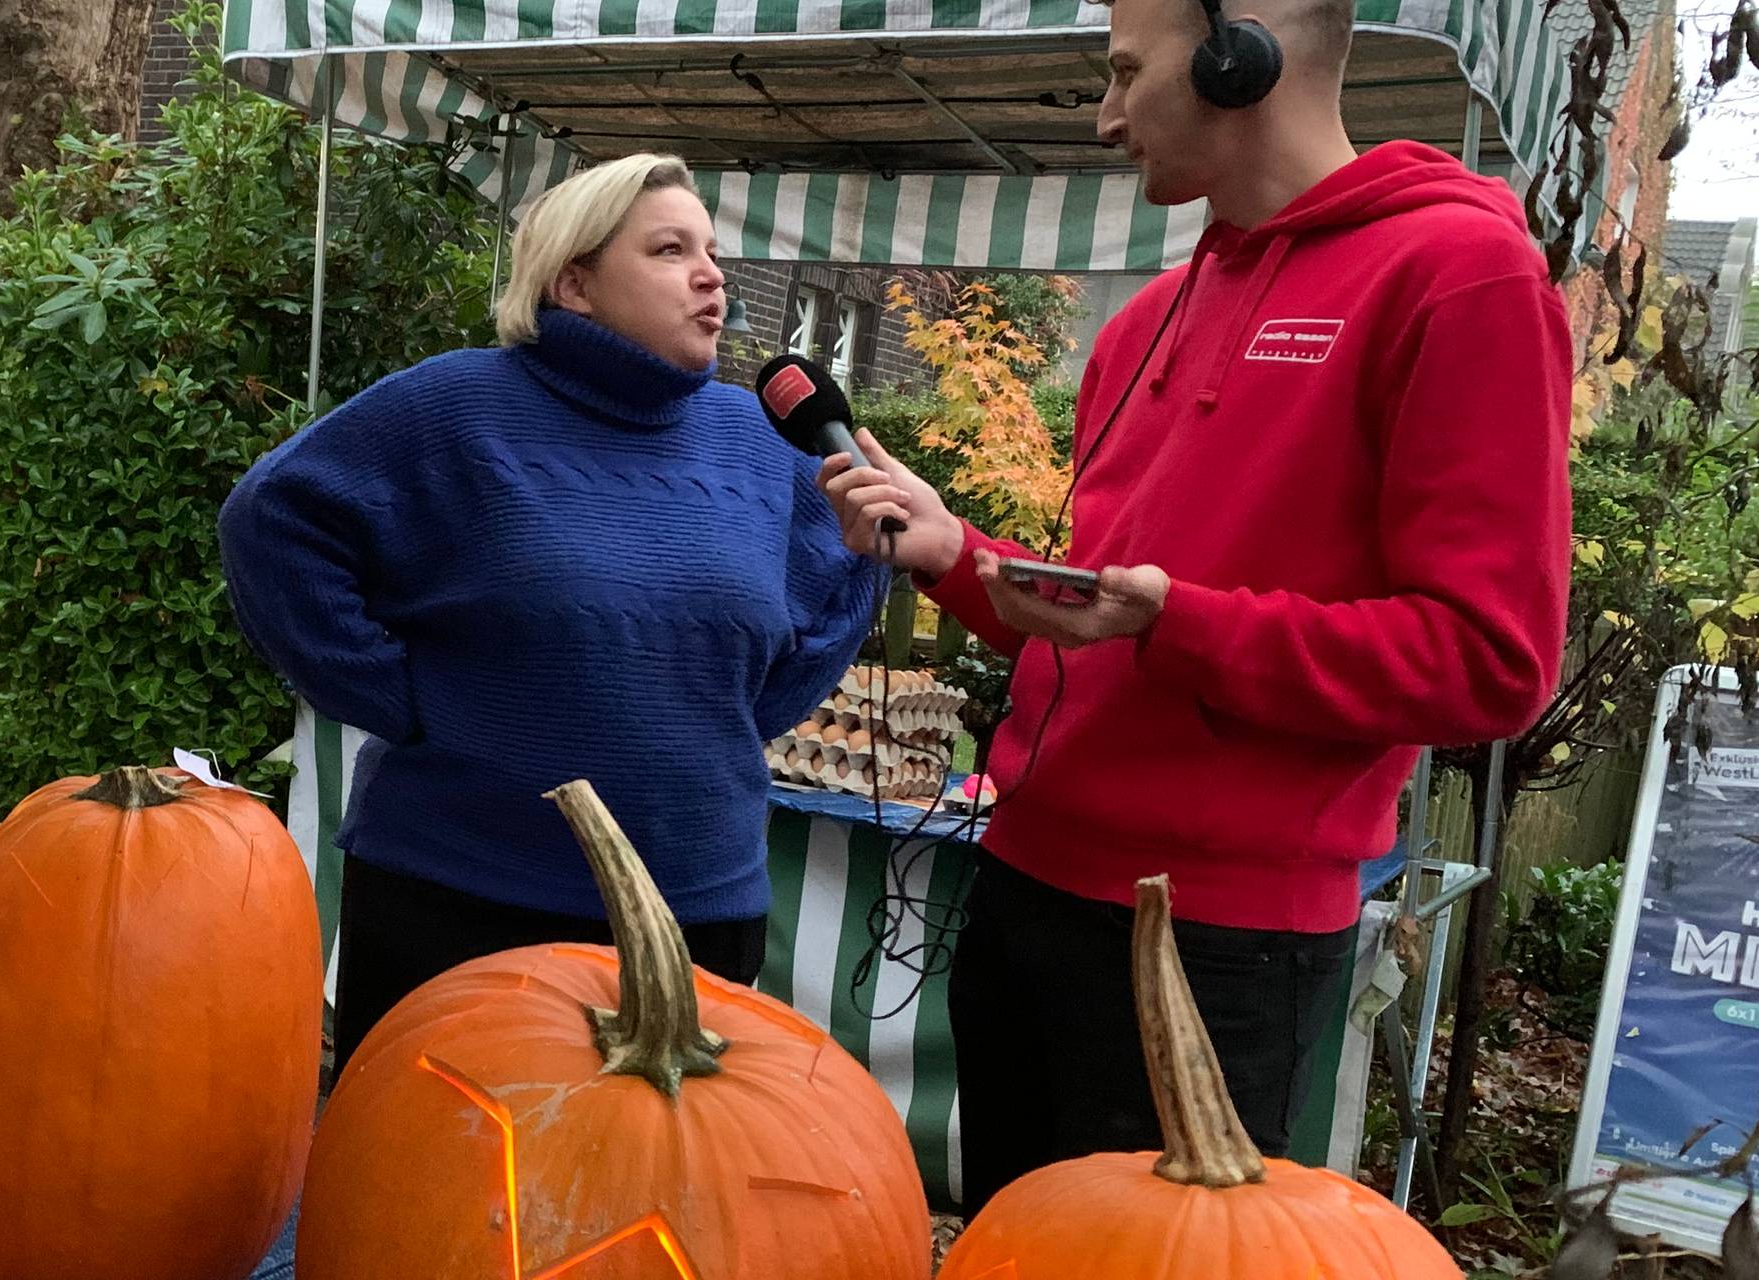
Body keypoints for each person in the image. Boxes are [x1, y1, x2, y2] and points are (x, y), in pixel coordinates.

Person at [819, 0, 1571, 1210]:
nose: (1105, 115)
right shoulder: (1141, 321)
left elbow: (1488, 661)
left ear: (1239, 55)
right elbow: (1099, 629)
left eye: (1125, 71)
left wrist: (1181, 623)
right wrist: (954, 552)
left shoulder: (1458, 274)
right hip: (1019, 889)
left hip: (1213, 944)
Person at [219, 154, 883, 1073]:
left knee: (666, 1166)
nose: (711, 276)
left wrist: (732, 713)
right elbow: (273, 521)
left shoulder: (757, 443)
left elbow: (843, 580)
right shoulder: (456, 406)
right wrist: (396, 698)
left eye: (712, 253)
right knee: (429, 1156)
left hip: (695, 913)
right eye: (669, 250)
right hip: (458, 898)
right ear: (574, 282)